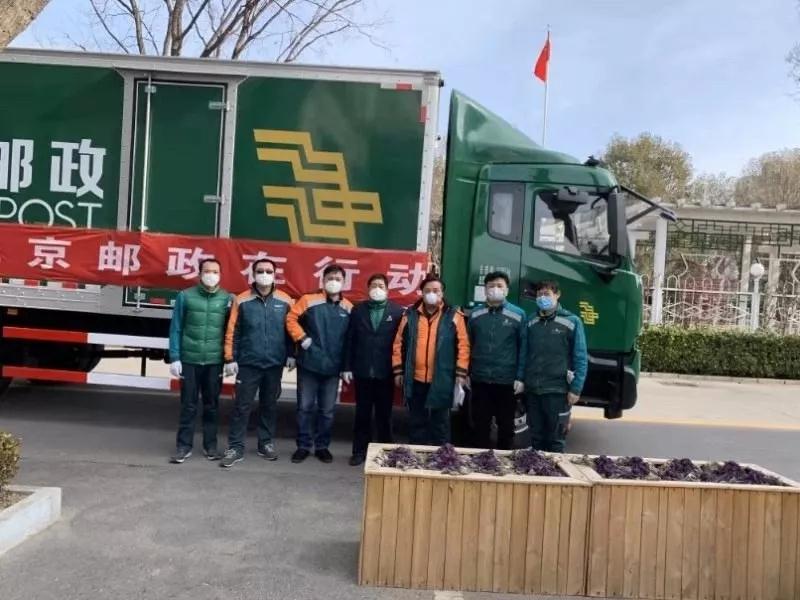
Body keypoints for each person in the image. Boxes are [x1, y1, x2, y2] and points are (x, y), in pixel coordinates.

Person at [219, 259, 295, 468]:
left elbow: (291, 331)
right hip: (248, 363)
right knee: (241, 406)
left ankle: (266, 443)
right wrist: (230, 358)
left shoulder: (285, 300)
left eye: (268, 271)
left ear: (275, 274)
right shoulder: (242, 300)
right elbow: (233, 331)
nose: (264, 274)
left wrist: (292, 354)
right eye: (260, 271)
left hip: (274, 364)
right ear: (253, 274)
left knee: (269, 405)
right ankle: (235, 447)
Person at [392, 274, 470, 446]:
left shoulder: (454, 315)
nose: (431, 294)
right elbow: (398, 343)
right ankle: (416, 454)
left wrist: (461, 373)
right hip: (415, 378)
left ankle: (441, 457)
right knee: (416, 422)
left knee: (440, 423)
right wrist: (398, 370)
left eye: (436, 290)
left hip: (442, 378)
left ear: (442, 293)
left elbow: (463, 346)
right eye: (427, 290)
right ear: (421, 293)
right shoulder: (410, 315)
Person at [286, 264, 353, 464]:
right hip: (309, 364)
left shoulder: (349, 308)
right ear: (323, 281)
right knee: (304, 407)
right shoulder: (308, 300)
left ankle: (322, 446)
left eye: (338, 279)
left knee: (327, 411)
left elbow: (351, 339)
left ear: (344, 282)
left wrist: (346, 366)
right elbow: (290, 319)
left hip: (333, 368)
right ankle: (303, 446)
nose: (334, 282)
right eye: (330, 278)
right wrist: (302, 338)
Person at [168, 258, 233, 464]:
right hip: (190, 359)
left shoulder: (227, 299)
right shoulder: (185, 296)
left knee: (211, 405)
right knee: (188, 405)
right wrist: (175, 357)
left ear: (220, 275)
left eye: (215, 271)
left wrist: (230, 358)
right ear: (199, 274)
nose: (211, 275)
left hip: (214, 361)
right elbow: (176, 328)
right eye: (207, 271)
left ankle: (210, 446)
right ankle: (183, 447)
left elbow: (231, 332)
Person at [342, 274, 404, 466]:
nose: (377, 288)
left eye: (381, 285)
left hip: (386, 372)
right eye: (374, 285)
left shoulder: (397, 312)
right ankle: (359, 451)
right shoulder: (358, 310)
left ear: (387, 290)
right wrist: (347, 367)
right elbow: (350, 340)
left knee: (384, 415)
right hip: (363, 371)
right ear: (368, 289)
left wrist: (399, 370)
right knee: (362, 414)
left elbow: (402, 343)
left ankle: (386, 453)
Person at [522, 280, 588, 452]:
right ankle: (537, 468)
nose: (542, 298)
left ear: (557, 295)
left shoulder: (572, 321)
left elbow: (580, 357)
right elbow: (524, 354)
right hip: (533, 391)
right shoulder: (531, 321)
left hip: (558, 392)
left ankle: (555, 469)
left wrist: (576, 389)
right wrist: (521, 379)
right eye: (539, 294)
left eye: (547, 294)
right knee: (536, 438)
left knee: (556, 440)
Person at [467, 271, 526, 450]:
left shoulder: (518, 315)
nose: (495, 289)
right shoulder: (475, 314)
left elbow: (523, 348)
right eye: (491, 286)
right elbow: (468, 345)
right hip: (480, 379)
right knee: (480, 425)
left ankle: (504, 461)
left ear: (507, 290)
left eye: (500, 286)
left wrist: (520, 377)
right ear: (485, 290)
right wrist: (467, 372)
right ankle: (480, 460)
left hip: (506, 381)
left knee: (506, 427)